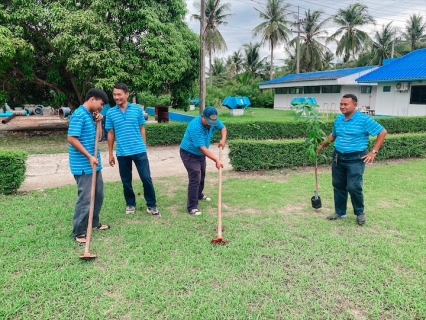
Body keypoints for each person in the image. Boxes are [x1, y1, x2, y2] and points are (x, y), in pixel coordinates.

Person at [317, 94, 387, 225]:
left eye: (345, 104)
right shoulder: (338, 119)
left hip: (356, 158)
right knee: (338, 185)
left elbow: (382, 132)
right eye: (341, 104)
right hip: (338, 157)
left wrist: (373, 152)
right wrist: (321, 146)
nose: (342, 106)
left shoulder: (364, 119)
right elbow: (333, 135)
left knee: (354, 187)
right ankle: (340, 212)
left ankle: (359, 212)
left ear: (355, 105)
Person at [106, 83, 161, 217]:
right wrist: (110, 154)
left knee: (146, 178)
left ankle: (151, 205)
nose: (116, 97)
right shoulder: (110, 112)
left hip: (139, 151)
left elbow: (142, 128)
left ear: (127, 94)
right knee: (126, 181)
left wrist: (144, 146)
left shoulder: (136, 110)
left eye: (119, 94)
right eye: (114, 94)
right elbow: (111, 133)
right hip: (122, 153)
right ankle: (130, 204)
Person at [67, 88, 110, 244]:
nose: (101, 107)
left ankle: (94, 222)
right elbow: (71, 138)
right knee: (85, 199)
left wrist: (98, 122)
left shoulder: (89, 116)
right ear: (92, 99)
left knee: (98, 195)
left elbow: (97, 139)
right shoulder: (79, 115)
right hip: (84, 165)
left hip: (94, 164)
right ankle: (79, 231)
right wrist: (89, 156)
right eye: (101, 103)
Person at [180, 106, 227, 215]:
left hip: (200, 154)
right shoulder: (195, 127)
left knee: (202, 175)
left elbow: (223, 128)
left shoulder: (213, 120)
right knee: (195, 176)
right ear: (203, 117)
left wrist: (223, 139)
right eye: (209, 121)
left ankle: (199, 194)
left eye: (213, 121)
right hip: (189, 153)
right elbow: (202, 148)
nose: (211, 124)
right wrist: (216, 159)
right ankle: (192, 207)